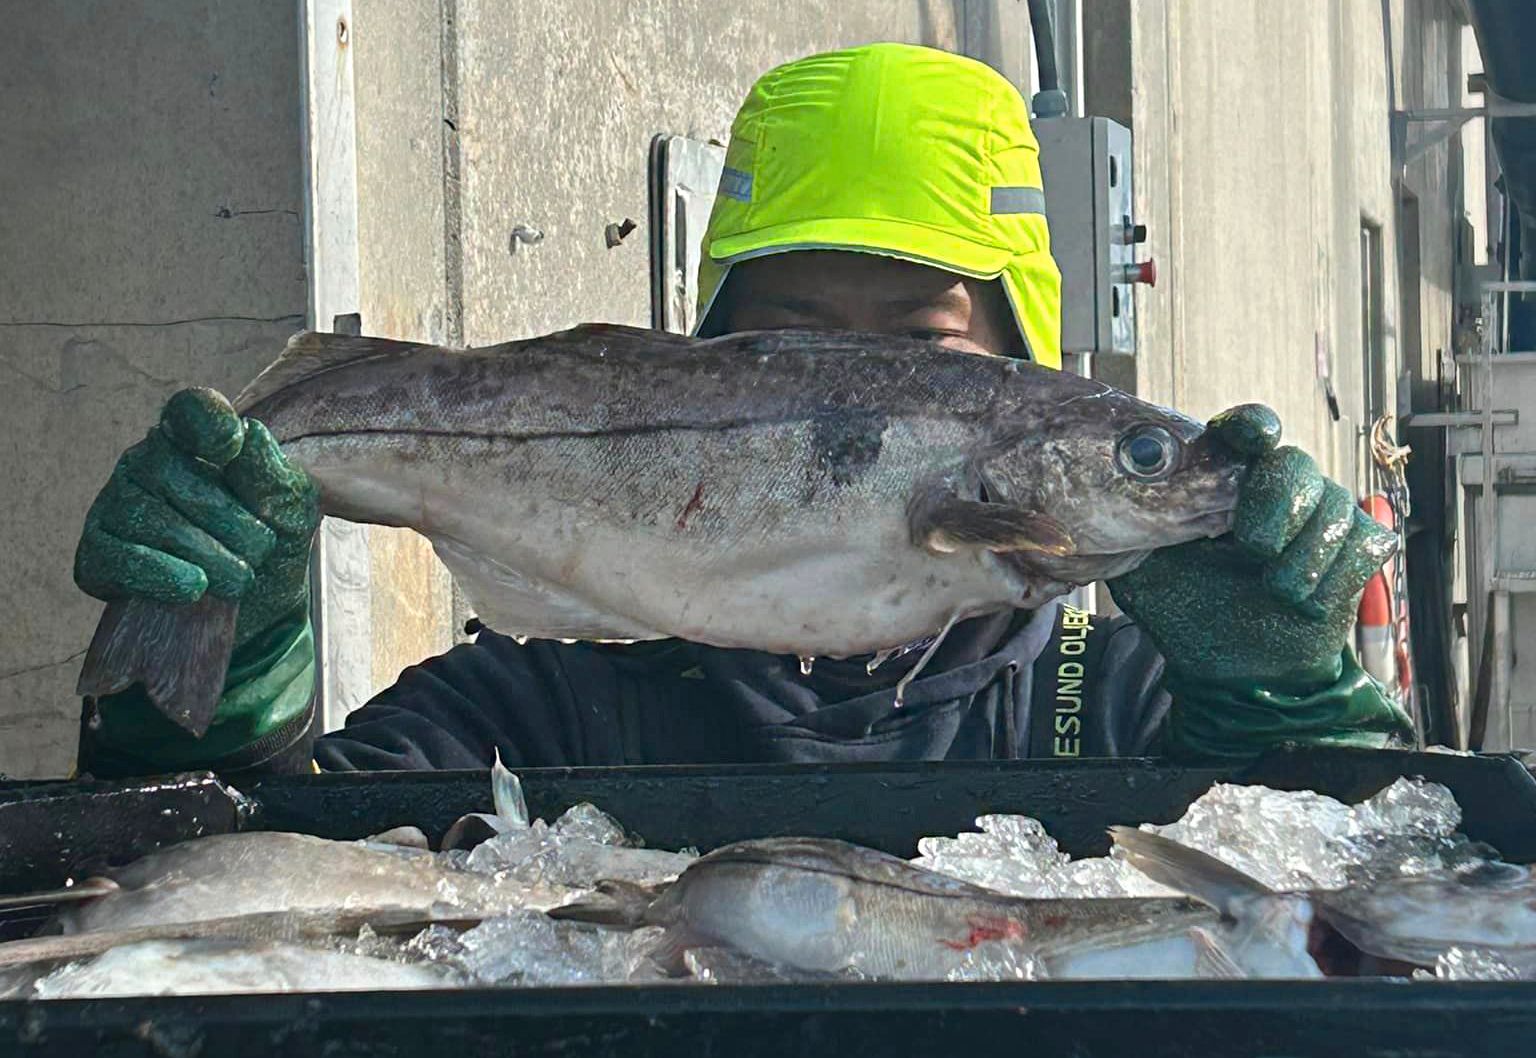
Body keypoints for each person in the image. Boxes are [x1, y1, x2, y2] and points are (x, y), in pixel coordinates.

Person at [72, 43, 1412, 779]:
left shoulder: (1133, 712)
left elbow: (1355, 941)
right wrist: (212, 711)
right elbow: (229, 923)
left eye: (920, 344)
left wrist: (1297, 718)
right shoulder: (532, 705)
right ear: (693, 363)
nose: (847, 388)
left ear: (1018, 372)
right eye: (786, 344)